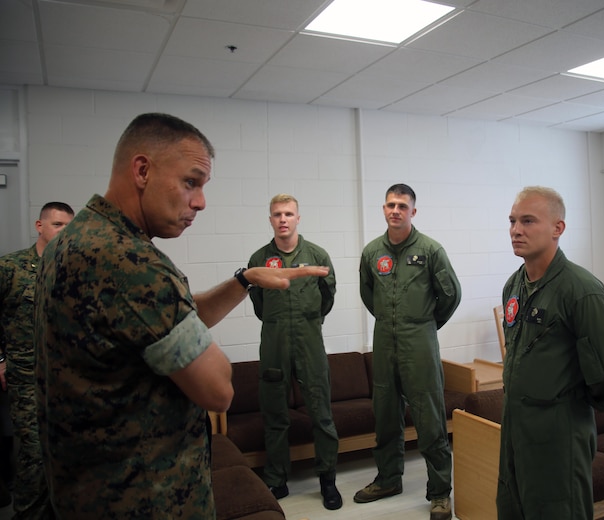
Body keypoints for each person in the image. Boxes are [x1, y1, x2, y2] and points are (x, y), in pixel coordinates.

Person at [34, 113, 330, 518]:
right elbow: (219, 390)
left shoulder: (74, 239)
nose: (201, 201)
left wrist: (244, 280)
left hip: (88, 489)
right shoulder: (131, 262)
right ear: (142, 170)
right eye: (191, 182)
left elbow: (167, 318)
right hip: (143, 497)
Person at [498, 186, 604, 520]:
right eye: (513, 221)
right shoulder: (513, 286)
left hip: (559, 430)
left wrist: (573, 402)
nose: (516, 230)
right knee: (513, 507)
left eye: (528, 221)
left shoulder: (581, 291)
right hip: (516, 427)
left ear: (557, 228)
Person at [355, 183, 461, 520]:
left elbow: (451, 295)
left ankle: (440, 493)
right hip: (385, 338)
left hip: (420, 340)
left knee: (429, 419)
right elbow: (367, 293)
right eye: (390, 205)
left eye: (402, 205)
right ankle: (388, 479)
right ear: (383, 209)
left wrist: (425, 325)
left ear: (413, 212)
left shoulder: (431, 250)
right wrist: (390, 321)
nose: (395, 210)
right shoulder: (373, 252)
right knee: (385, 414)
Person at [247, 193, 342, 510]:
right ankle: (277, 480)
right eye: (277, 214)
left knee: (322, 415)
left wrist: (309, 320)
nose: (283, 219)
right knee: (275, 417)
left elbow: (327, 297)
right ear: (270, 219)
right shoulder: (259, 259)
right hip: (274, 345)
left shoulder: (317, 256)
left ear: (298, 218)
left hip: (309, 343)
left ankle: (328, 481)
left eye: (288, 213)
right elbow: (259, 306)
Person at [1, 201, 74, 518]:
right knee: (33, 463)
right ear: (39, 226)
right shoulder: (10, 269)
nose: (63, 232)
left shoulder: (75, 270)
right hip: (29, 383)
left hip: (71, 385)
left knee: (69, 464)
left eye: (69, 227)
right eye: (58, 224)